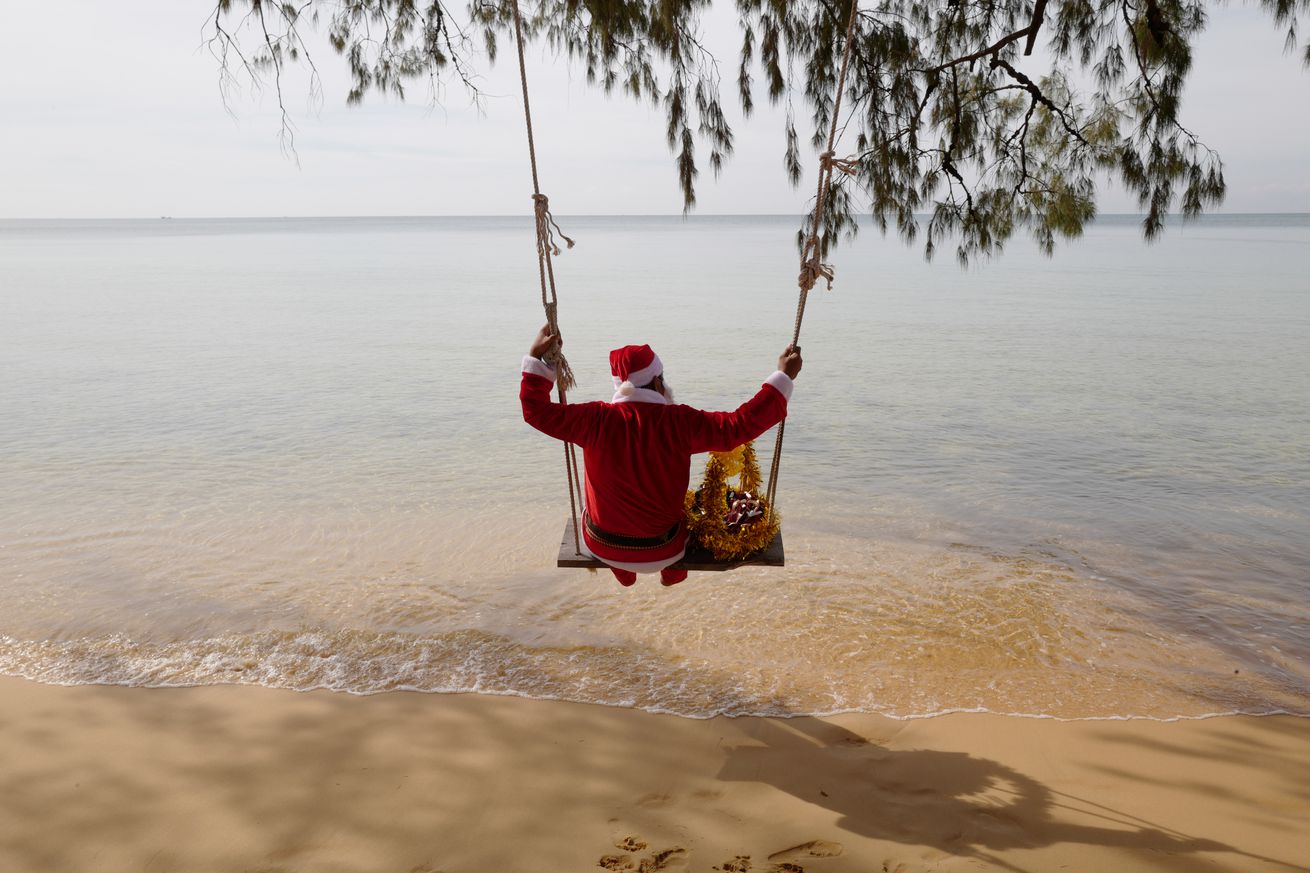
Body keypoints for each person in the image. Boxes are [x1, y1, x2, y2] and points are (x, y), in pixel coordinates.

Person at [521, 324, 802, 587]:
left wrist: (536, 359)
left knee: (596, 512)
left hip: (602, 545)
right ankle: (672, 573)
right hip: (663, 548)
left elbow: (536, 411)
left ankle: (624, 573)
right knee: (692, 515)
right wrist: (782, 377)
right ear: (657, 381)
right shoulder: (680, 422)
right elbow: (737, 426)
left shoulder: (593, 419)